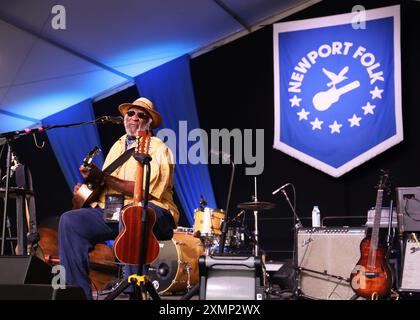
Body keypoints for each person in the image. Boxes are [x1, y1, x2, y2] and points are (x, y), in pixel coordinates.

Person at [58, 97, 179, 300]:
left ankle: (134, 292)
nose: (134, 117)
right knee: (70, 221)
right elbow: (106, 185)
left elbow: (145, 191)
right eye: (130, 113)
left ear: (148, 122)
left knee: (133, 213)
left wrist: (103, 177)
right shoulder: (117, 146)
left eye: (141, 115)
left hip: (154, 211)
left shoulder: (158, 147)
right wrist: (88, 188)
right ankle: (77, 295)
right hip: (118, 210)